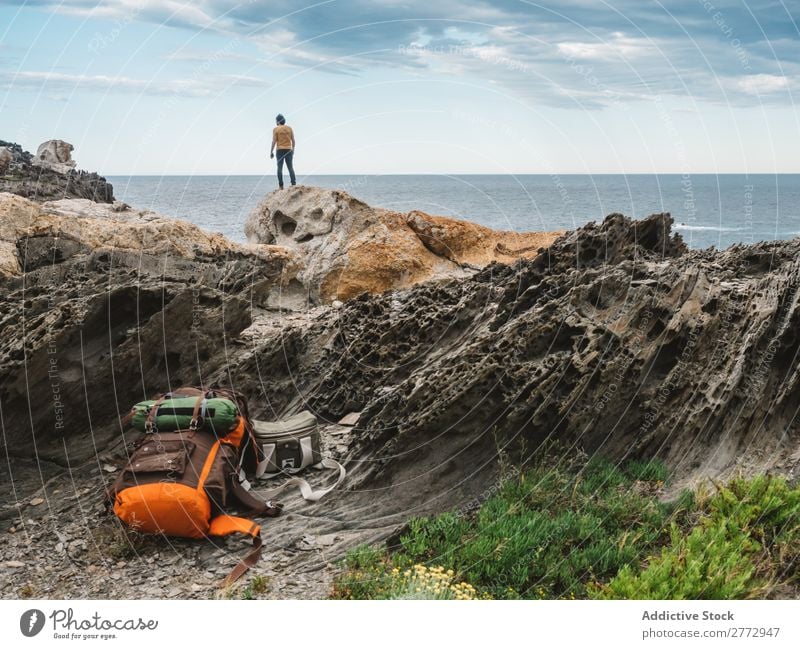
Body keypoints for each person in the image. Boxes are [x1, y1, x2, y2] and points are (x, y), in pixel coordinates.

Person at [270, 113, 296, 189]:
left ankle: (281, 186)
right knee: (290, 168)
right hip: (289, 149)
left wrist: (271, 152)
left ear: (278, 121)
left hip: (280, 150)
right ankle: (293, 184)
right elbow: (293, 140)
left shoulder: (276, 129)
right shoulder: (289, 128)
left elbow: (274, 141)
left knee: (279, 168)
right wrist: (293, 149)